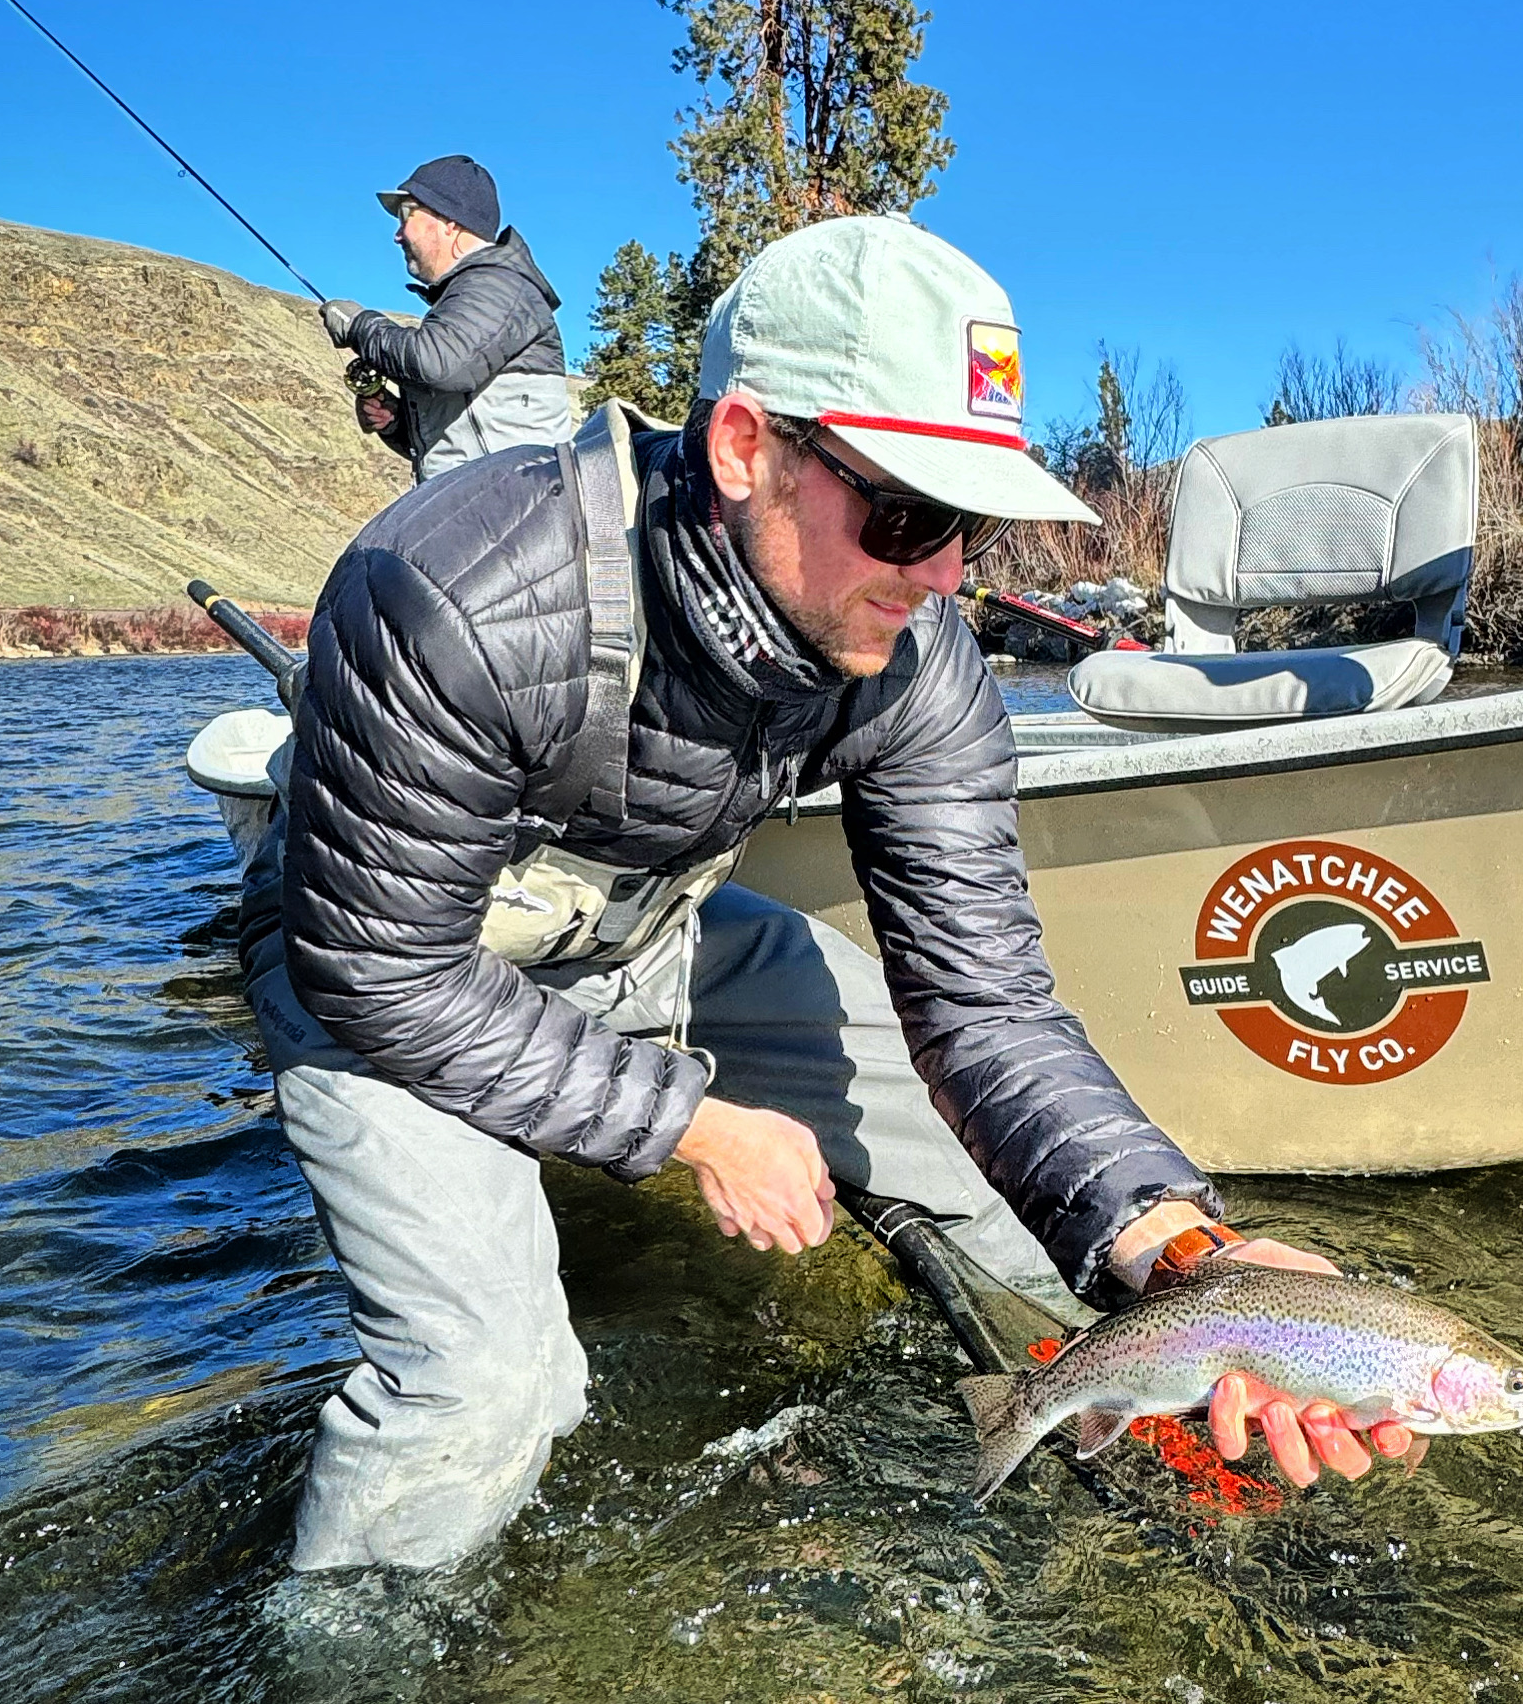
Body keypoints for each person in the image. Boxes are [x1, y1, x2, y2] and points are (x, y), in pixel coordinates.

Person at [245, 214, 1409, 1573]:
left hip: (647, 937)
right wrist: (691, 1126)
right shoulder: (457, 593)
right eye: (908, 514)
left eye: (968, 523)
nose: (945, 576)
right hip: (382, 970)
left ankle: (1100, 1410)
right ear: (746, 449)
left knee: (1004, 1192)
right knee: (490, 1390)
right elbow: (382, 971)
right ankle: (340, 1645)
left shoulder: (917, 658)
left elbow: (986, 1011)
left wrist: (1194, 1262)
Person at [319, 152, 571, 480]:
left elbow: (436, 365)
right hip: (486, 505)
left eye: (407, 215)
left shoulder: (498, 285)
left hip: (514, 508)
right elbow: (462, 436)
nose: (398, 235)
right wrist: (396, 422)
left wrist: (359, 326)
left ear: (450, 222)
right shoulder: (471, 298)